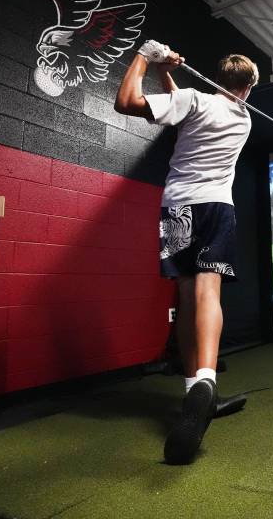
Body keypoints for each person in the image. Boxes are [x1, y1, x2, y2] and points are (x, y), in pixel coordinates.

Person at [114, 40, 258, 465]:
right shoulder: (244, 117)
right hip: (217, 206)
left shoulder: (194, 101)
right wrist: (164, 72)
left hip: (179, 206)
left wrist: (144, 55)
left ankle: (191, 388)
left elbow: (127, 103)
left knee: (183, 296)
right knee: (208, 294)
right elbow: (182, 106)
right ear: (247, 87)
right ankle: (207, 384)